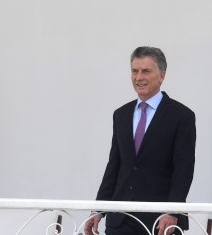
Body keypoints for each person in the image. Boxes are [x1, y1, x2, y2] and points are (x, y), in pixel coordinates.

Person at [84, 46, 196, 235]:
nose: (138, 77)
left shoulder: (181, 116)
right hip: (120, 220)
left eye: (146, 71)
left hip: (160, 222)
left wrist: (172, 211)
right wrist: (98, 209)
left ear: (162, 75)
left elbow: (184, 169)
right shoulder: (121, 115)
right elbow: (114, 166)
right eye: (134, 71)